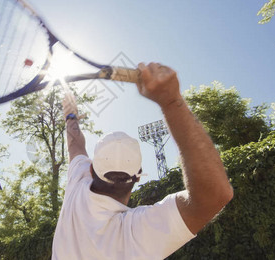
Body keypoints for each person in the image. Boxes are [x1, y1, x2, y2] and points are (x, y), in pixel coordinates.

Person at [52, 62, 234, 260]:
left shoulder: (78, 184)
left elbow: (75, 143)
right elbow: (214, 196)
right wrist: (171, 103)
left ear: (92, 171)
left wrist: (71, 116)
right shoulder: (133, 234)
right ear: (138, 177)